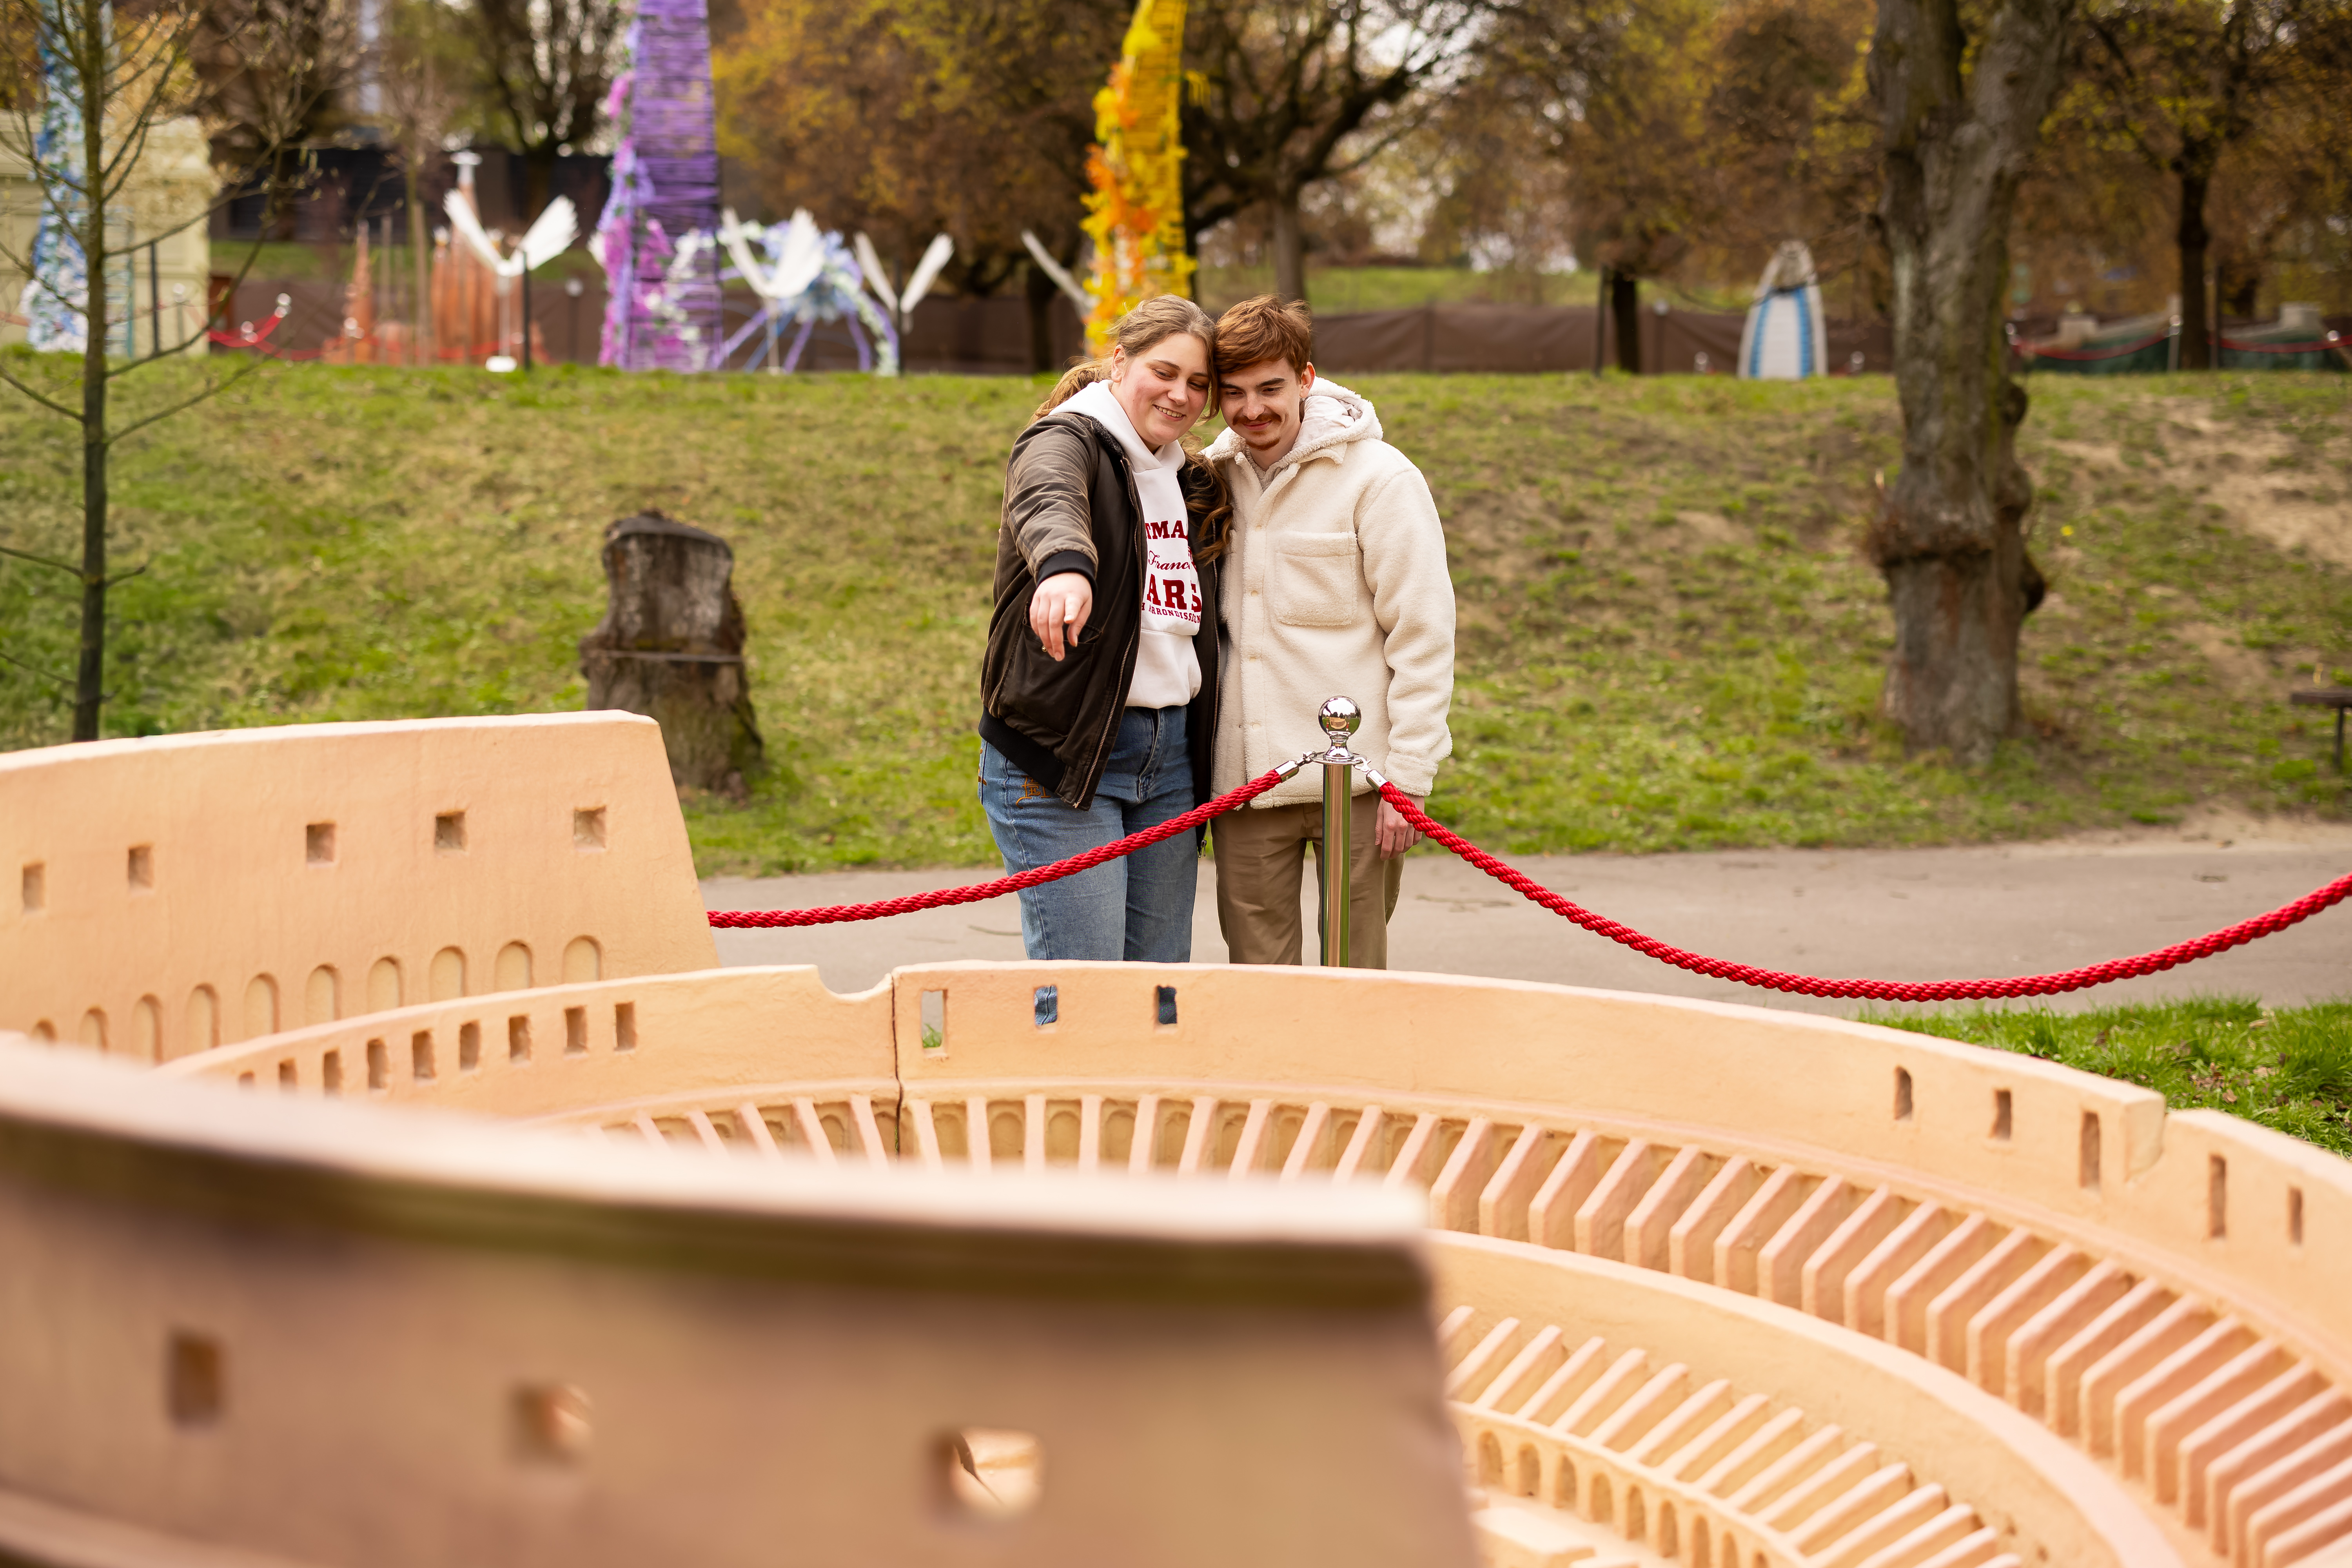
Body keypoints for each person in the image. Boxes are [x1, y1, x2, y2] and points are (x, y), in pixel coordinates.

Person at [1203, 295, 1455, 969]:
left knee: (1354, 977)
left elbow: (1423, 634)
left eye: (1270, 388)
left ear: (1306, 380)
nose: (1252, 409)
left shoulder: (1382, 479)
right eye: (1234, 393)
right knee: (1259, 979)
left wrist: (1410, 777)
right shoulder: (1209, 479)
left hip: (1362, 788)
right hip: (1247, 785)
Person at [976, 296, 1230, 961]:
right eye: (1163, 372)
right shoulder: (1066, 439)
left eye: (1198, 383)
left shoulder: (1191, 478)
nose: (1180, 395)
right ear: (1120, 362)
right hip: (1065, 753)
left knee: (1158, 986)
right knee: (1086, 989)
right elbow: (1048, 497)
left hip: (1170, 759)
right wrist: (1065, 569)